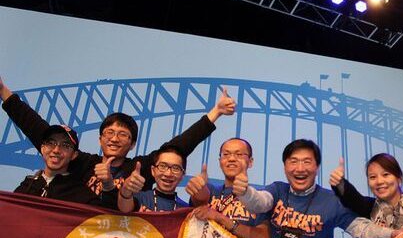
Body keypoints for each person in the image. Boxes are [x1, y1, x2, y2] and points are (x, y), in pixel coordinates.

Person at [0, 76, 235, 209]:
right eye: (109, 132)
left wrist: (215, 112)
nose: (114, 138)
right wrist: (3, 91)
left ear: (132, 144)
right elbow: (36, 128)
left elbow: (179, 146)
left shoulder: (139, 169)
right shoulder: (81, 162)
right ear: (100, 138)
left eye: (123, 134)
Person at [234, 139, 403, 238]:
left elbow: (363, 230)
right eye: (293, 161)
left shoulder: (332, 201)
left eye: (307, 162)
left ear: (317, 167)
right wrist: (245, 192)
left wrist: (392, 234)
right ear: (285, 166)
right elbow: (260, 202)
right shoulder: (277, 190)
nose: (300, 168)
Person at [188, 138, 270, 238]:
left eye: (239, 154)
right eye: (226, 154)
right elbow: (200, 199)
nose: (231, 158)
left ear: (250, 162)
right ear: (220, 161)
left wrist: (221, 219)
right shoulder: (211, 191)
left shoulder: (259, 199)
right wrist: (198, 188)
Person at [14, 124, 106, 206]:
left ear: (74, 155)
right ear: (42, 148)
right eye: (51, 143)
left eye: (65, 145)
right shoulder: (26, 187)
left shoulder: (82, 196)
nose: (56, 150)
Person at [117, 145, 189, 212]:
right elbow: (125, 208)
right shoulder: (140, 198)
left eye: (176, 168)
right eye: (163, 166)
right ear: (153, 170)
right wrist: (126, 189)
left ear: (182, 175)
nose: (168, 174)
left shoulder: (185, 210)